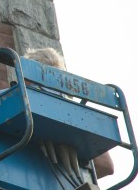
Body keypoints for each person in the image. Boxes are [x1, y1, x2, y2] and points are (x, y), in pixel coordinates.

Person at [23, 47, 114, 179]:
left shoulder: (19, 100)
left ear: (28, 75)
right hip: (71, 185)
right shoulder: (79, 112)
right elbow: (105, 166)